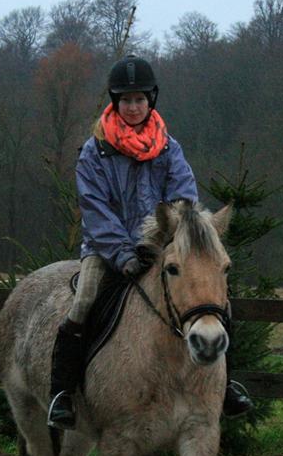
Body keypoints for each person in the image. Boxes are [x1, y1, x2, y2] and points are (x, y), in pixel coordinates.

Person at [46, 54, 253, 430]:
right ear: (115, 102)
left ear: (150, 100)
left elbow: (184, 200)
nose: (134, 106)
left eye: (140, 99)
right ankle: (62, 393)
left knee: (212, 299)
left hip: (164, 249)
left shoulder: (168, 147)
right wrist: (124, 253)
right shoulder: (95, 151)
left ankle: (227, 387)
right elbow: (95, 209)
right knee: (84, 300)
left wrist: (164, 243)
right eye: (126, 100)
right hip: (107, 250)